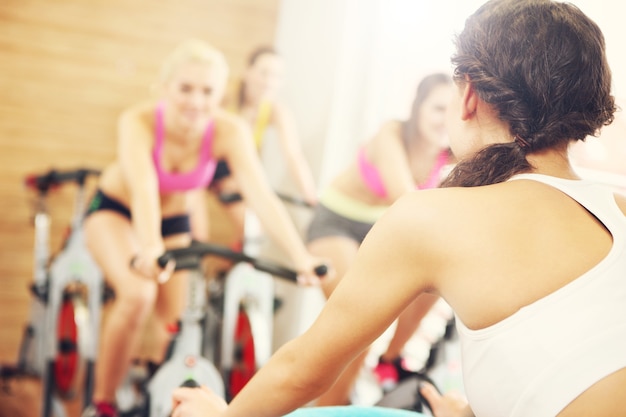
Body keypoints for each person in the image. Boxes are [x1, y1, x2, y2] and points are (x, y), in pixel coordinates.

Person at [171, 1, 626, 416]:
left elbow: (301, 372)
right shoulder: (619, 204)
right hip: (338, 223)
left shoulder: (432, 216)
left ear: (468, 95)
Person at [81, 39, 325, 417]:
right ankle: (102, 404)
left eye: (207, 91)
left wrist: (301, 256)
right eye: (185, 89)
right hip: (117, 211)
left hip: (173, 222)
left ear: (220, 95)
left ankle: (156, 398)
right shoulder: (139, 121)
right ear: (164, 89)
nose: (196, 101)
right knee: (138, 293)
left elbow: (260, 196)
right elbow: (144, 188)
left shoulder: (229, 131)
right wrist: (149, 247)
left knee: (176, 323)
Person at [304, 73, 454, 405]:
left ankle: (391, 358)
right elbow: (406, 200)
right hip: (336, 224)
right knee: (356, 329)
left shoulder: (449, 150)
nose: (445, 120)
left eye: (452, 110)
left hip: (379, 232)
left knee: (438, 282)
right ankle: (332, 407)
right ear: (417, 108)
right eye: (437, 109)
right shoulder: (391, 135)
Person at [209, 46, 318, 243]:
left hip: (234, 169)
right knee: (244, 226)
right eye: (264, 73)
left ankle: (224, 270)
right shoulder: (225, 96)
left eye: (276, 76)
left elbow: (294, 155)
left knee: (253, 231)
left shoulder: (276, 110)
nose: (269, 81)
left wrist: (310, 196)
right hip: (208, 162)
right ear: (247, 71)